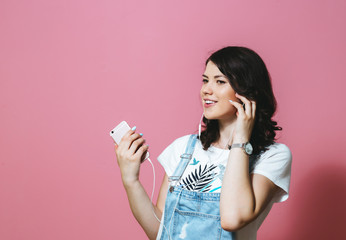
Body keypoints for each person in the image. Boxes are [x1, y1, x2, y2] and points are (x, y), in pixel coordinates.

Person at [114, 46, 292, 240]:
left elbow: (232, 219)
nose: (206, 90)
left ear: (247, 93)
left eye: (220, 81)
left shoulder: (273, 156)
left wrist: (240, 140)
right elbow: (161, 233)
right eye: (205, 80)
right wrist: (130, 180)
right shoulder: (183, 149)